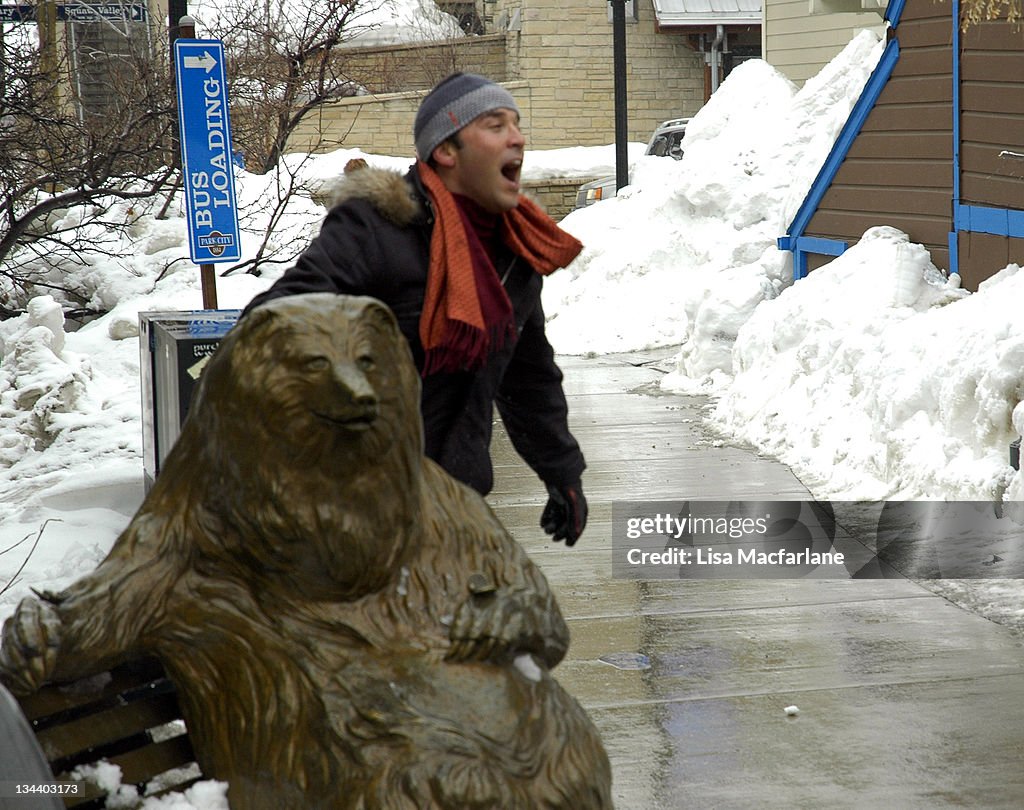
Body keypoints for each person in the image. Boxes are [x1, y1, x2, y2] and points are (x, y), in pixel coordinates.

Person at [241, 73, 588, 546]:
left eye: (517, 123)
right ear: (446, 151)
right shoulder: (376, 229)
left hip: (450, 501)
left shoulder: (513, 252)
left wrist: (560, 471)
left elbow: (528, 375)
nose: (517, 137)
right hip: (346, 510)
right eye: (495, 124)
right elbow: (269, 323)